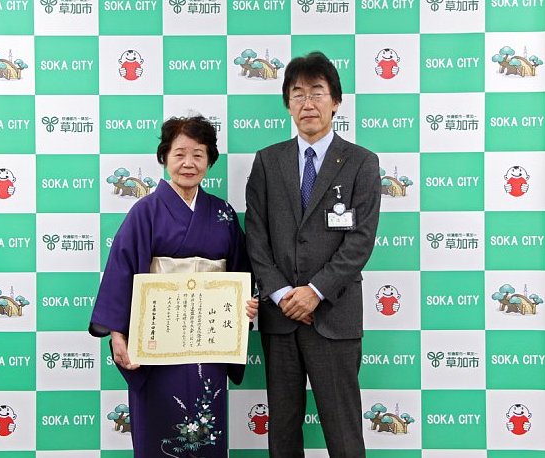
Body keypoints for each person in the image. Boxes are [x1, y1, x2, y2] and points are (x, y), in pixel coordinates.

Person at [89, 115, 258, 457]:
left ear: (210, 160)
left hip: (208, 341)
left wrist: (248, 304)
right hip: (157, 341)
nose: (188, 163)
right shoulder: (145, 212)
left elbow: (242, 273)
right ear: (164, 157)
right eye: (179, 153)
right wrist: (118, 334)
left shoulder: (222, 214)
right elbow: (121, 270)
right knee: (160, 428)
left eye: (198, 154)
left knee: (206, 425)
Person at [245, 51, 381, 457]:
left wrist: (315, 292)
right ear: (287, 102)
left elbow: (359, 241)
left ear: (335, 100)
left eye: (317, 92)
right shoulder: (268, 162)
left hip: (334, 317)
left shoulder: (361, 163)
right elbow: (256, 235)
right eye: (298, 93)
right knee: (283, 435)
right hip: (280, 318)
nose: (308, 103)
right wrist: (283, 293)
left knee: (343, 433)